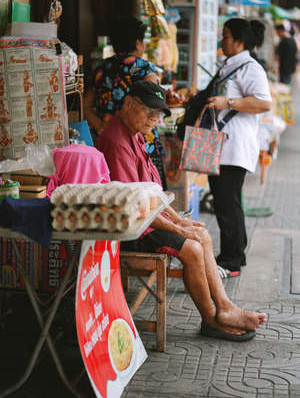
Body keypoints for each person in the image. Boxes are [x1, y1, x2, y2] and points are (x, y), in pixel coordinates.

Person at [96, 79, 267, 342]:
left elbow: (153, 192)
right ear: (129, 104)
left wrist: (180, 221)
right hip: (133, 229)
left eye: (157, 115)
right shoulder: (116, 141)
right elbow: (137, 206)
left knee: (202, 234)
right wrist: (178, 227)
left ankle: (224, 307)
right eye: (149, 112)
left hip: (147, 218)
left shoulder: (135, 133)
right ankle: (211, 319)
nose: (154, 119)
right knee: (193, 248)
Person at [206, 18, 272, 274]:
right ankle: (235, 254)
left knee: (227, 203)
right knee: (227, 202)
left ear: (239, 42)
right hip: (221, 146)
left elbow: (264, 103)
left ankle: (231, 260)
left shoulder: (250, 68)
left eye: (225, 37)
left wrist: (229, 103)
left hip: (233, 148)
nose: (222, 41)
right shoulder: (231, 65)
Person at [84, 17, 167, 189]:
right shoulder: (143, 68)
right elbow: (155, 102)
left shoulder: (101, 69)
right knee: (149, 196)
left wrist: (101, 126)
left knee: (115, 190)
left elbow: (85, 106)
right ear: (138, 43)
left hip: (109, 141)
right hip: (140, 140)